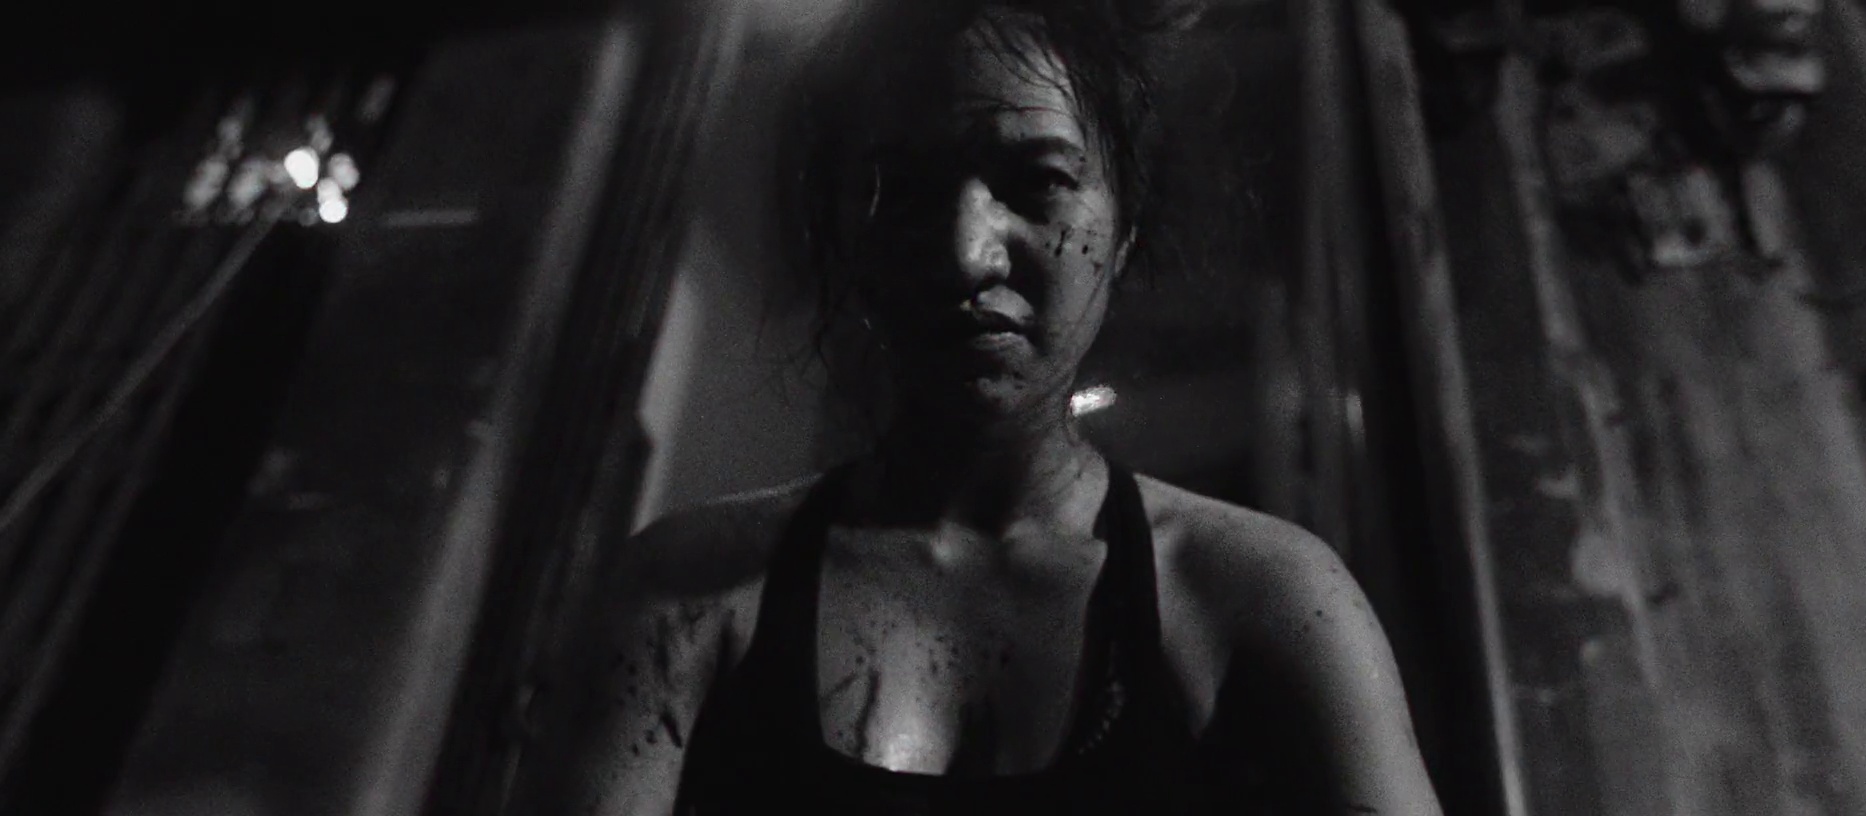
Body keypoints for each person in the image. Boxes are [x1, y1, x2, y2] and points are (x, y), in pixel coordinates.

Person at [535, 2, 1444, 813]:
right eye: (905, 187)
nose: (968, 254)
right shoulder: (685, 598)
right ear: (846, 228)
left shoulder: (1266, 600)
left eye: (1039, 179)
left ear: (1124, 226)